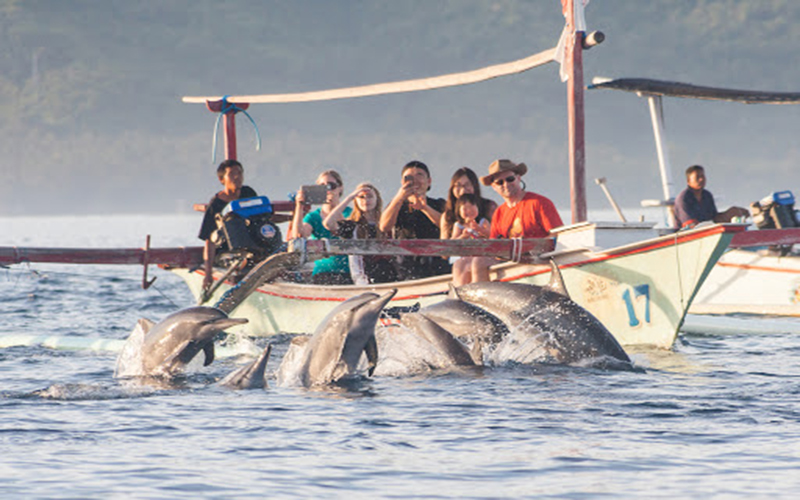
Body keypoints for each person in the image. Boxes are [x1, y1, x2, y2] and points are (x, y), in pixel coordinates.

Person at [379, 160, 451, 280]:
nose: (414, 180)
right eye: (409, 177)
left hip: (436, 264)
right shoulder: (397, 205)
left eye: (419, 175)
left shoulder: (439, 204)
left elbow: (448, 227)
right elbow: (384, 226)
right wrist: (399, 197)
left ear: (429, 181)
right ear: (403, 182)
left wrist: (425, 208)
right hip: (406, 266)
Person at [197, 159, 258, 292]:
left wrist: (291, 218)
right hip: (227, 253)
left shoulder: (248, 193)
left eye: (240, 173)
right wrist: (208, 275)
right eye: (232, 174)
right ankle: (245, 264)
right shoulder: (216, 204)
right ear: (222, 179)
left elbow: (262, 217)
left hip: (251, 246)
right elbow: (209, 241)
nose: (237, 177)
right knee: (239, 259)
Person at [323, 182, 397, 285]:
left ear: (377, 199)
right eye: (361, 197)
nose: (366, 200)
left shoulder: (386, 224)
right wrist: (349, 197)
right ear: (356, 201)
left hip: (389, 275)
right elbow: (328, 223)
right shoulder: (353, 225)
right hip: (363, 279)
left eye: (370, 196)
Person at [287, 169, 352, 284]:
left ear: (340, 188)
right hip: (322, 272)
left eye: (331, 186)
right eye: (322, 187)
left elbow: (346, 230)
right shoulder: (314, 217)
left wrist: (335, 207)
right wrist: (299, 206)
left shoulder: (350, 213)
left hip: (349, 271)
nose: (327, 190)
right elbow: (299, 235)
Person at [481, 159, 563, 239]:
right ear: (494, 187)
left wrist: (535, 250)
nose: (506, 184)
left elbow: (559, 235)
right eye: (500, 182)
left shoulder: (540, 203)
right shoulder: (498, 214)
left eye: (510, 179)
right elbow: (495, 246)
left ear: (518, 178)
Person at [673, 165, 750, 229]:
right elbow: (690, 224)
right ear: (688, 181)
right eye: (697, 177)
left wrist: (732, 213)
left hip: (708, 228)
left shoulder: (707, 195)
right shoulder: (683, 198)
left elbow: (714, 217)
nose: (701, 179)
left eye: (703, 176)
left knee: (734, 211)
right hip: (687, 235)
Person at [440, 167, 498, 240]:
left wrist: (480, 230)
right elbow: (445, 243)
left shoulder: (489, 206)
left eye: (467, 184)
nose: (463, 189)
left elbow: (497, 235)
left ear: (475, 186)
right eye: (458, 185)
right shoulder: (447, 215)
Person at [449, 193, 493, 286]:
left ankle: (475, 285)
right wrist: (463, 236)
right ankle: (461, 287)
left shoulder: (482, 222)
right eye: (465, 208)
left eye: (472, 206)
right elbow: (453, 241)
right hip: (465, 255)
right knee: (460, 266)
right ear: (459, 211)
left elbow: (491, 235)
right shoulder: (459, 225)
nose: (469, 210)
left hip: (482, 253)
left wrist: (479, 229)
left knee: (475, 263)